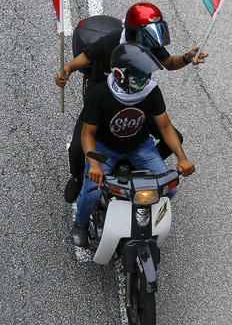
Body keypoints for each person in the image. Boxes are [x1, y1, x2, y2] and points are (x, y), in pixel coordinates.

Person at [55, 2, 206, 202]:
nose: (154, 40)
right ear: (134, 32)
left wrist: (187, 58)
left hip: (138, 101)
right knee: (76, 149)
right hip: (103, 103)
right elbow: (76, 62)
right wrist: (64, 73)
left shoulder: (149, 42)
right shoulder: (110, 41)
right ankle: (77, 178)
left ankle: (133, 168)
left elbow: (169, 63)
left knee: (175, 138)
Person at [71, 42, 196, 248]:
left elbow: (165, 127)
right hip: (104, 151)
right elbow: (87, 134)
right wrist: (94, 163)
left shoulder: (151, 91)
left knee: (169, 190)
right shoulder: (99, 94)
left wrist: (182, 158)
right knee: (92, 190)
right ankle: (81, 224)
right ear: (120, 75)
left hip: (140, 147)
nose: (144, 80)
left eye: (146, 75)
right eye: (139, 76)